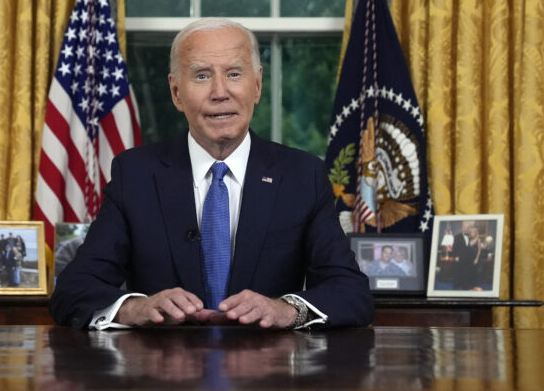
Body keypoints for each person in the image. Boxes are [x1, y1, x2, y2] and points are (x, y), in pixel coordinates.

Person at [50, 18, 374, 330]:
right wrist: (136, 308)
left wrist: (287, 309)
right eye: (202, 76)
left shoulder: (302, 176)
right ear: (176, 92)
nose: (220, 92)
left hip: (267, 373)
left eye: (234, 74)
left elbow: (351, 292)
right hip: (164, 373)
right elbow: (74, 288)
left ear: (257, 85)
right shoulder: (135, 175)